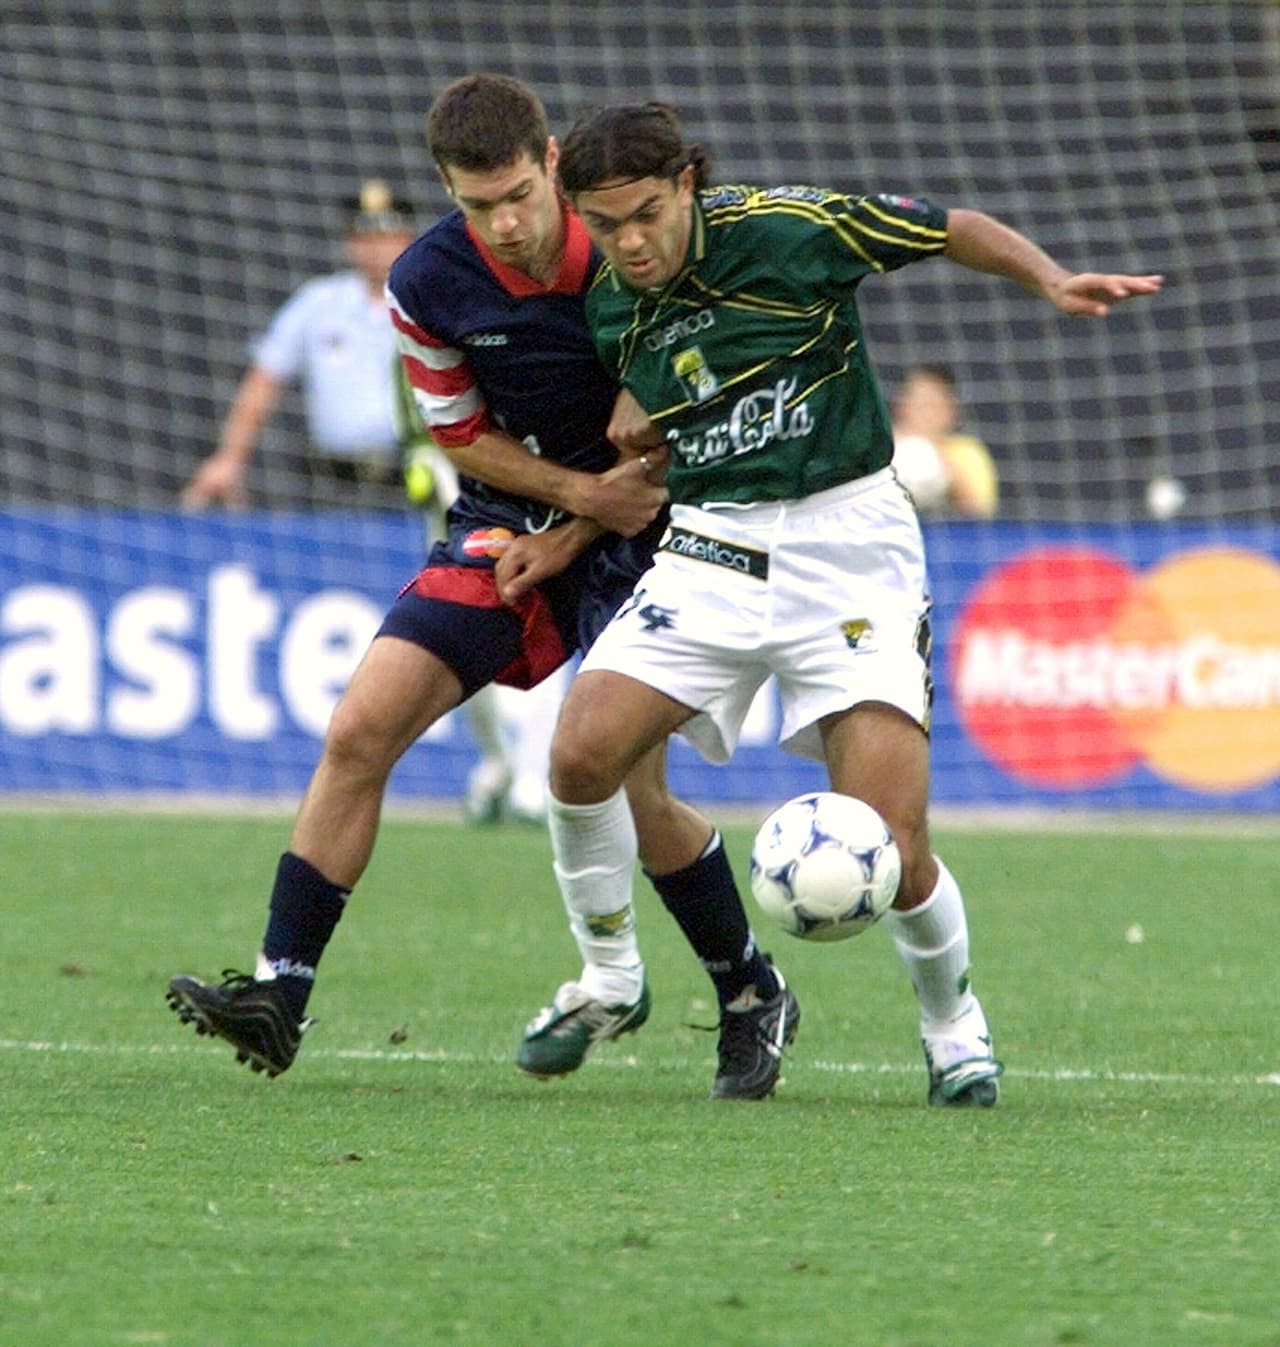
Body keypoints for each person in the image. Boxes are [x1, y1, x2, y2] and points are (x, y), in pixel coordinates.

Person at [510, 100, 1162, 1107]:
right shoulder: (613, 307)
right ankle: (607, 977)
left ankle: (951, 1026)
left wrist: (1045, 276)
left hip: (848, 547)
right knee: (578, 751)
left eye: (644, 213)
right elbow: (651, 433)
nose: (628, 242)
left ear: (686, 182)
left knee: (893, 848)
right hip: (710, 547)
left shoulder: (788, 229)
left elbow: (947, 227)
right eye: (605, 224)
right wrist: (575, 525)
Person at [168, 74, 798, 1103]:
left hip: (668, 524)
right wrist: (564, 509)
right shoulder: (426, 280)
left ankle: (746, 990)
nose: (502, 224)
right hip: (517, 517)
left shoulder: (631, 242)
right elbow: (459, 433)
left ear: (549, 159)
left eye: (516, 193)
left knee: (625, 783)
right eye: (475, 205)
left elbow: (695, 425)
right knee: (360, 726)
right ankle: (280, 992)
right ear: (446, 194)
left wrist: (583, 522)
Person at [393, 355, 569, 825]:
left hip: (535, 510)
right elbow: (419, 431)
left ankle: (534, 778)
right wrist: (431, 472)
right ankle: (498, 762)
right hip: (461, 516)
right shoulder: (414, 322)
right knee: (462, 645)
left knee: (539, 630)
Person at [182, 180, 418, 511]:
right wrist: (230, 458)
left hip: (413, 481)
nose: (377, 248)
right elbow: (264, 380)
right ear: (349, 244)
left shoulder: (430, 303)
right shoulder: (318, 303)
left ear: (409, 239)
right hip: (334, 485)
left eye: (387, 236)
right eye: (365, 237)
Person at [890, 363, 999, 518]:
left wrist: (934, 451)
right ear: (901, 406)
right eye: (917, 402)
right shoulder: (880, 448)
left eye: (931, 404)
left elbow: (979, 512)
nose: (923, 413)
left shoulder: (967, 450)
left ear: (951, 410)